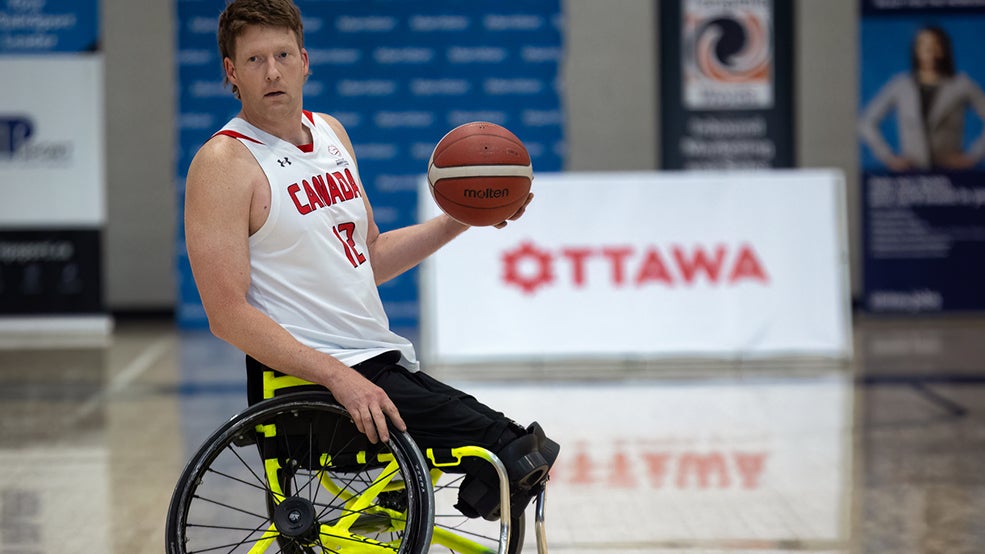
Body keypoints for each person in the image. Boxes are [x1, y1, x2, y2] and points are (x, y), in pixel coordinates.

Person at [183, 0, 557, 520]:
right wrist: (337, 376)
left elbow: (369, 258)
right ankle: (394, 517)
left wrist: (461, 219)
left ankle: (392, 517)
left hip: (377, 361)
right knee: (513, 452)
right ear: (231, 71)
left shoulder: (331, 133)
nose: (272, 72)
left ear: (304, 61)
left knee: (527, 454)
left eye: (283, 55)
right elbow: (226, 313)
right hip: (312, 383)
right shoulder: (223, 163)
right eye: (254, 60)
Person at [858, 25, 985, 171]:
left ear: (944, 49)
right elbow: (866, 123)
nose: (930, 50)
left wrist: (973, 156)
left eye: (935, 44)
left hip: (951, 173)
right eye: (924, 44)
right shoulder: (901, 86)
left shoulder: (961, 85)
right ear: (916, 50)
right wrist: (889, 157)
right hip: (912, 174)